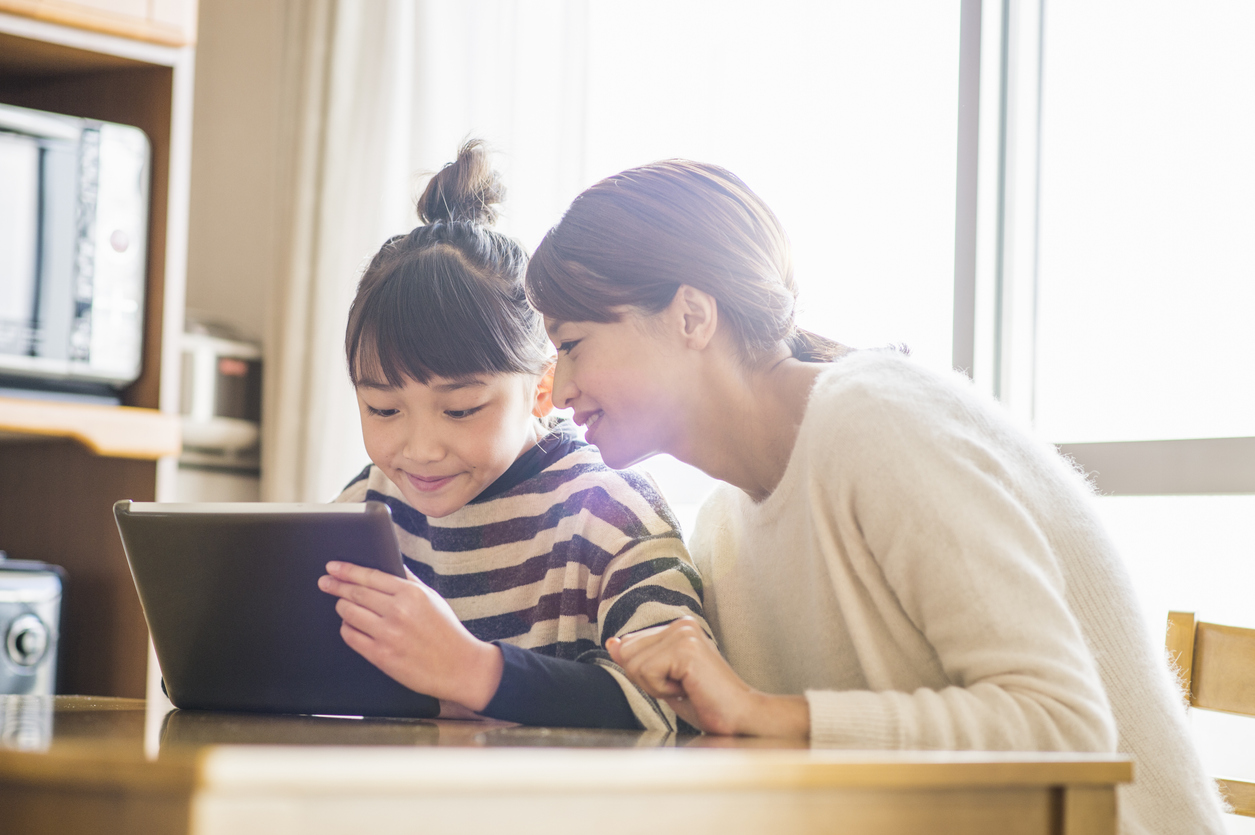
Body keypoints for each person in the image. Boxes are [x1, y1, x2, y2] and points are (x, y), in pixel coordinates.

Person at [523, 159, 1225, 833]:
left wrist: (773, 713)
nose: (556, 385)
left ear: (691, 317)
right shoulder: (723, 529)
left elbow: (1063, 729)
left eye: (574, 342)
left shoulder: (877, 420)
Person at [317, 141, 706, 732]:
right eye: (383, 408)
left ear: (541, 388)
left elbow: (683, 705)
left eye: (461, 409)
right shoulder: (366, 513)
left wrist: (476, 672)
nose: (419, 449)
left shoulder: (607, 517)